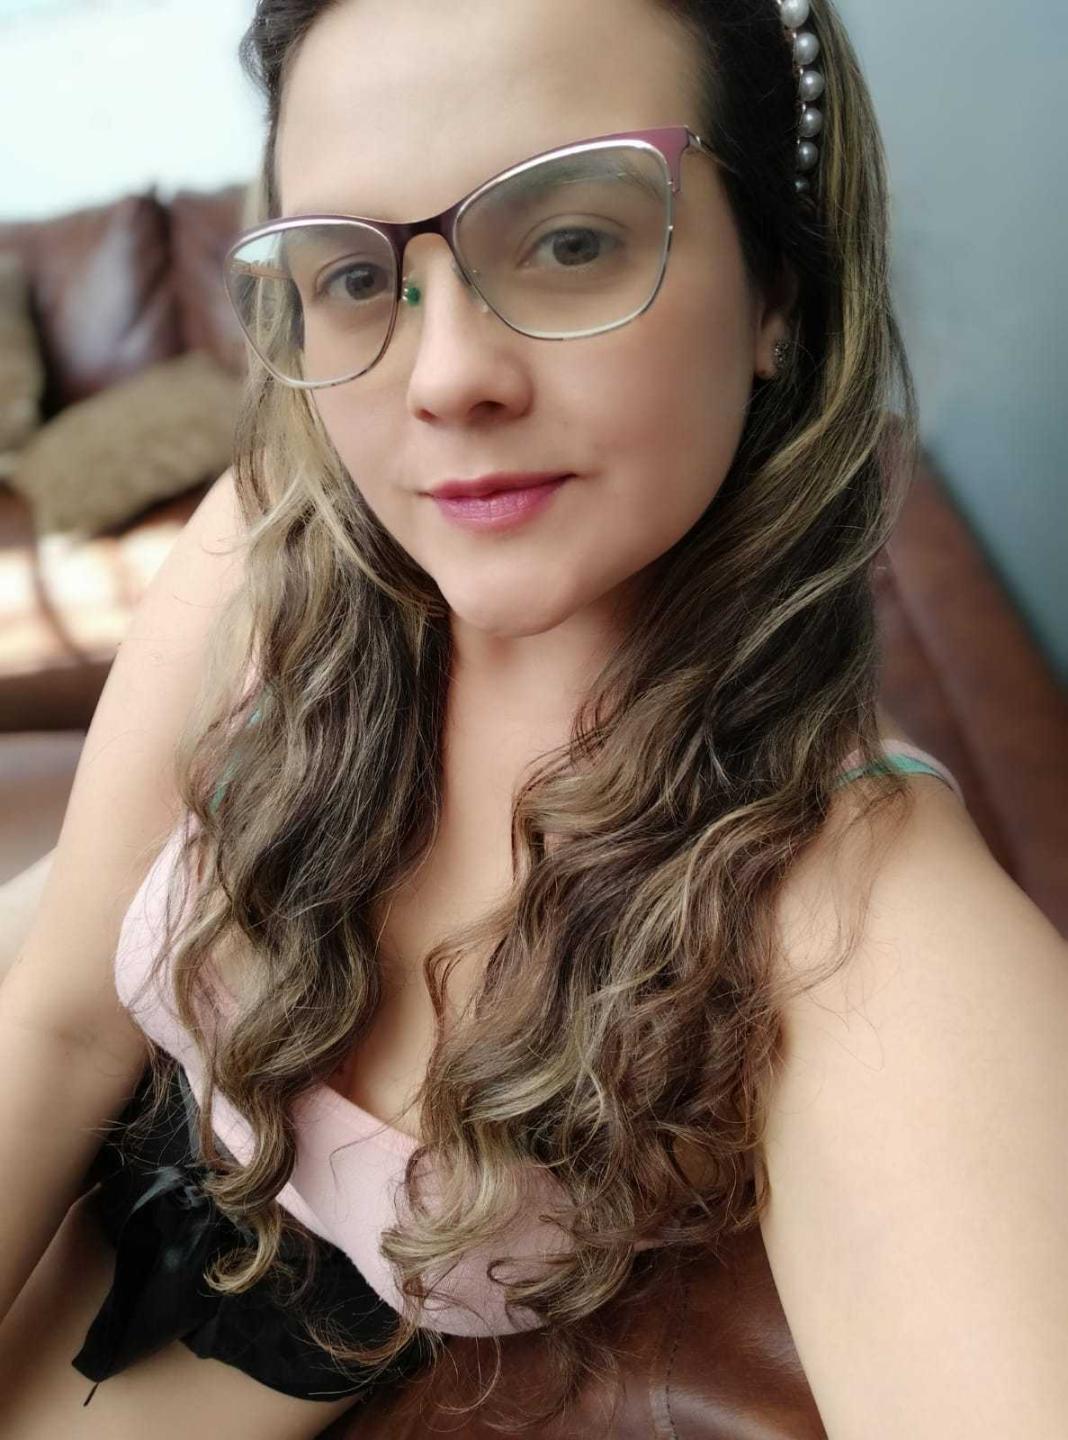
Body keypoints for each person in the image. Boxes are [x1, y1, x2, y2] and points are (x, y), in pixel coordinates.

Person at [1, 0, 1065, 1435]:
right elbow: (62, 1024)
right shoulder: (271, 545)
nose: (448, 380)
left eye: (570, 244)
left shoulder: (846, 904)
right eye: (355, 276)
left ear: (779, 291)